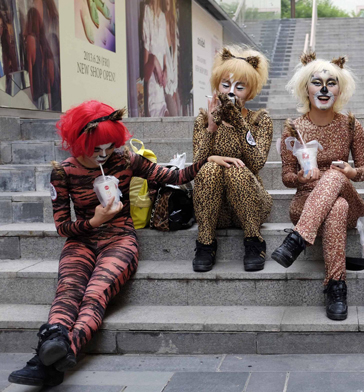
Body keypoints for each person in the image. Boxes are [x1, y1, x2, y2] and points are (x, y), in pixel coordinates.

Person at [8, 100, 206, 387]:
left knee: (95, 294)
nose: (103, 155)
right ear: (78, 143)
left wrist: (208, 160)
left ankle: (46, 358)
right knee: (68, 292)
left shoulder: (124, 159)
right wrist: (93, 221)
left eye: (109, 146)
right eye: (95, 149)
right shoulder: (63, 172)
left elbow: (172, 176)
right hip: (81, 241)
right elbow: (63, 226)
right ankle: (53, 356)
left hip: (120, 238)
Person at [271, 52, 364, 321]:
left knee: (336, 176)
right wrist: (301, 179)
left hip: (351, 202)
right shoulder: (294, 128)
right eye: (317, 82)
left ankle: (297, 239)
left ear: (340, 89)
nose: (324, 89)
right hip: (304, 204)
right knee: (335, 207)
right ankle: (336, 287)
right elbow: (286, 177)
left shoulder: (352, 125)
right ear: (306, 87)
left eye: (331, 82)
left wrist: (351, 171)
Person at [192, 46, 272, 272]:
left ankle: (254, 240)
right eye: (225, 85)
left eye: (240, 87)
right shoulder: (203, 118)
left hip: (251, 205)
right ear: (217, 86)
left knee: (236, 170)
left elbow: (256, 163)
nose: (231, 92)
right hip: (215, 210)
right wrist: (211, 127)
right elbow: (196, 164)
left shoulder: (259, 120)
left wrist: (240, 123)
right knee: (208, 168)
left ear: (250, 91)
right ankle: (205, 243)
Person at [142, 0, 169, 116]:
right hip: (152, 95)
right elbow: (145, 74)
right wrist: (154, 61)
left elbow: (163, 52)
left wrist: (166, 70)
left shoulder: (163, 17)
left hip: (161, 93)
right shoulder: (147, 10)